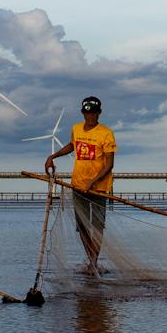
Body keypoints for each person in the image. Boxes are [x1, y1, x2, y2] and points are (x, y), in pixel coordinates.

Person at [45, 95, 116, 274]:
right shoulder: (76, 129)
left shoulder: (106, 133)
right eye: (87, 113)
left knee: (97, 226)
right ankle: (92, 261)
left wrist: (93, 182)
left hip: (98, 188)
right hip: (78, 185)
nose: (90, 116)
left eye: (93, 113)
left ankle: (94, 261)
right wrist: (52, 156)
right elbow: (72, 145)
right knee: (83, 226)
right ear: (83, 113)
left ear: (99, 113)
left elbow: (109, 164)